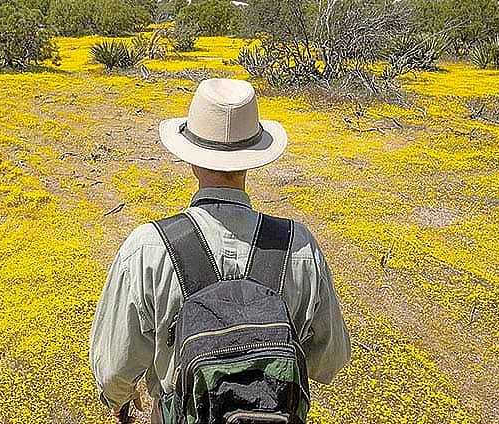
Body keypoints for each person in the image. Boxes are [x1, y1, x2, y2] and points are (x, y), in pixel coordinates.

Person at [89, 78, 351, 423]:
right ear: (252, 160)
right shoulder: (300, 246)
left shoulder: (147, 248)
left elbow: (113, 368)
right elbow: (329, 360)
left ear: (192, 160)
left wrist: (118, 398)